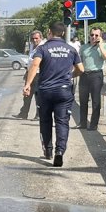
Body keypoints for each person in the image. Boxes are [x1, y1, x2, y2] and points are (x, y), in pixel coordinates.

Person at [22, 22, 83, 168]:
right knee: (62, 122)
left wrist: (28, 84)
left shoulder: (43, 48)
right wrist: (70, 75)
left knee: (45, 121)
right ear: (62, 33)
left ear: (49, 32)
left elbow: (35, 65)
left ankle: (48, 151)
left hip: (45, 91)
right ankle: (60, 152)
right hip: (64, 91)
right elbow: (81, 69)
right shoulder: (71, 49)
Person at [78, 27, 106, 130]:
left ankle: (93, 125)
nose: (94, 37)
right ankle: (83, 123)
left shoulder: (104, 46)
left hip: (96, 75)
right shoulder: (83, 47)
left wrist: (100, 45)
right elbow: (79, 61)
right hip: (84, 74)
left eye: (96, 35)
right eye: (92, 35)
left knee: (95, 101)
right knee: (83, 100)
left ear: (100, 36)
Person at [12, 30, 45, 119]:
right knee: (27, 95)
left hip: (39, 74)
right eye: (33, 38)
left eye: (36, 38)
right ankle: (23, 113)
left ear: (40, 38)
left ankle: (39, 115)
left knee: (38, 96)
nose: (34, 40)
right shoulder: (31, 46)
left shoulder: (43, 47)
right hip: (29, 73)